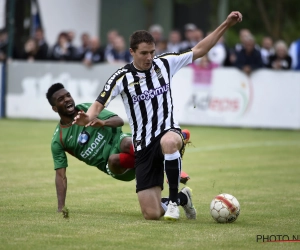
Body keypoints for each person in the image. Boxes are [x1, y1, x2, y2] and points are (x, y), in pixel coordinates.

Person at [73, 11, 243, 221]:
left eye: (152, 52)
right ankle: (182, 198)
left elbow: (200, 49)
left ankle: (172, 201)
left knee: (169, 141)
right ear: (132, 52)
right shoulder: (122, 77)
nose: (149, 57)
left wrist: (225, 24)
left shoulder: (165, 63)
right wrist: (87, 118)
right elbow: (99, 102)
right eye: (144, 53)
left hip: (168, 133)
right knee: (151, 214)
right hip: (143, 146)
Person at [46, 83, 190, 213]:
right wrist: (60, 207)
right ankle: (182, 195)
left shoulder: (86, 110)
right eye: (61, 99)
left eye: (68, 95)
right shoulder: (59, 140)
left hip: (120, 141)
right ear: (54, 108)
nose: (67, 100)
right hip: (113, 165)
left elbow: (119, 121)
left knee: (127, 143)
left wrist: (102, 123)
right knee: (114, 159)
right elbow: (60, 175)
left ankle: (169, 164)